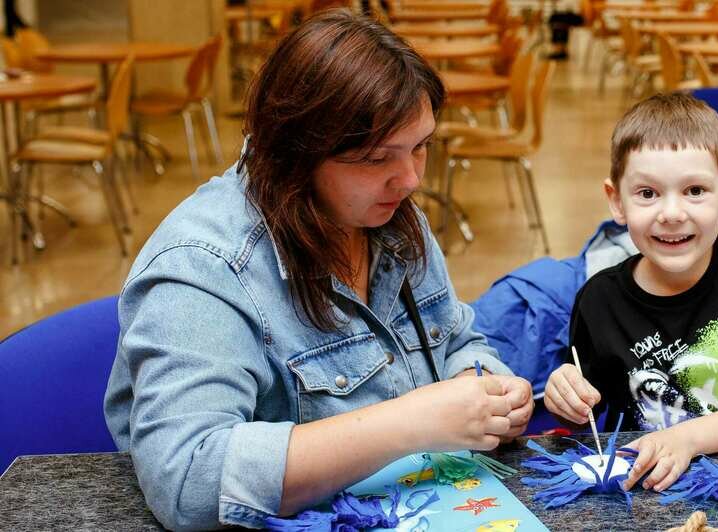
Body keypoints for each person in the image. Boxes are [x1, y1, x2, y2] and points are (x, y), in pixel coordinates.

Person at [103, 11, 533, 530]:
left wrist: (480, 386)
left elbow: (457, 339)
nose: (411, 179)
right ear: (295, 154)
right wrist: (412, 424)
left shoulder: (390, 218)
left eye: (421, 146)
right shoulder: (205, 267)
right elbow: (187, 481)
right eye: (377, 159)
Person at [542, 92, 718, 494]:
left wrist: (688, 439)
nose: (671, 213)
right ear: (617, 202)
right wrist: (566, 393)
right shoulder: (598, 300)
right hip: (646, 490)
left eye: (695, 190)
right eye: (647, 194)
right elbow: (587, 417)